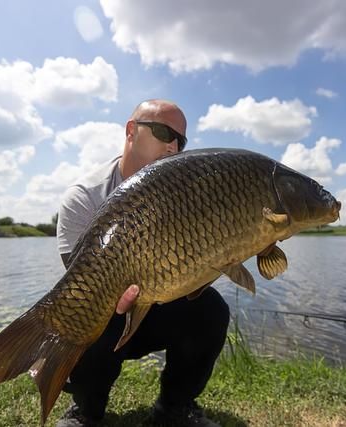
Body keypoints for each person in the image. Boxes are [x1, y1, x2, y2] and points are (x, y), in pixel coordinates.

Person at [56, 99, 230, 427]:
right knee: (85, 316)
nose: (174, 146)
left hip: (162, 298)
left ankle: (174, 408)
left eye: (181, 141)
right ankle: (86, 411)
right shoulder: (84, 196)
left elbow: (193, 269)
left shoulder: (188, 194)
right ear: (131, 131)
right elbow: (79, 278)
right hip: (107, 308)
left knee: (211, 310)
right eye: (165, 132)